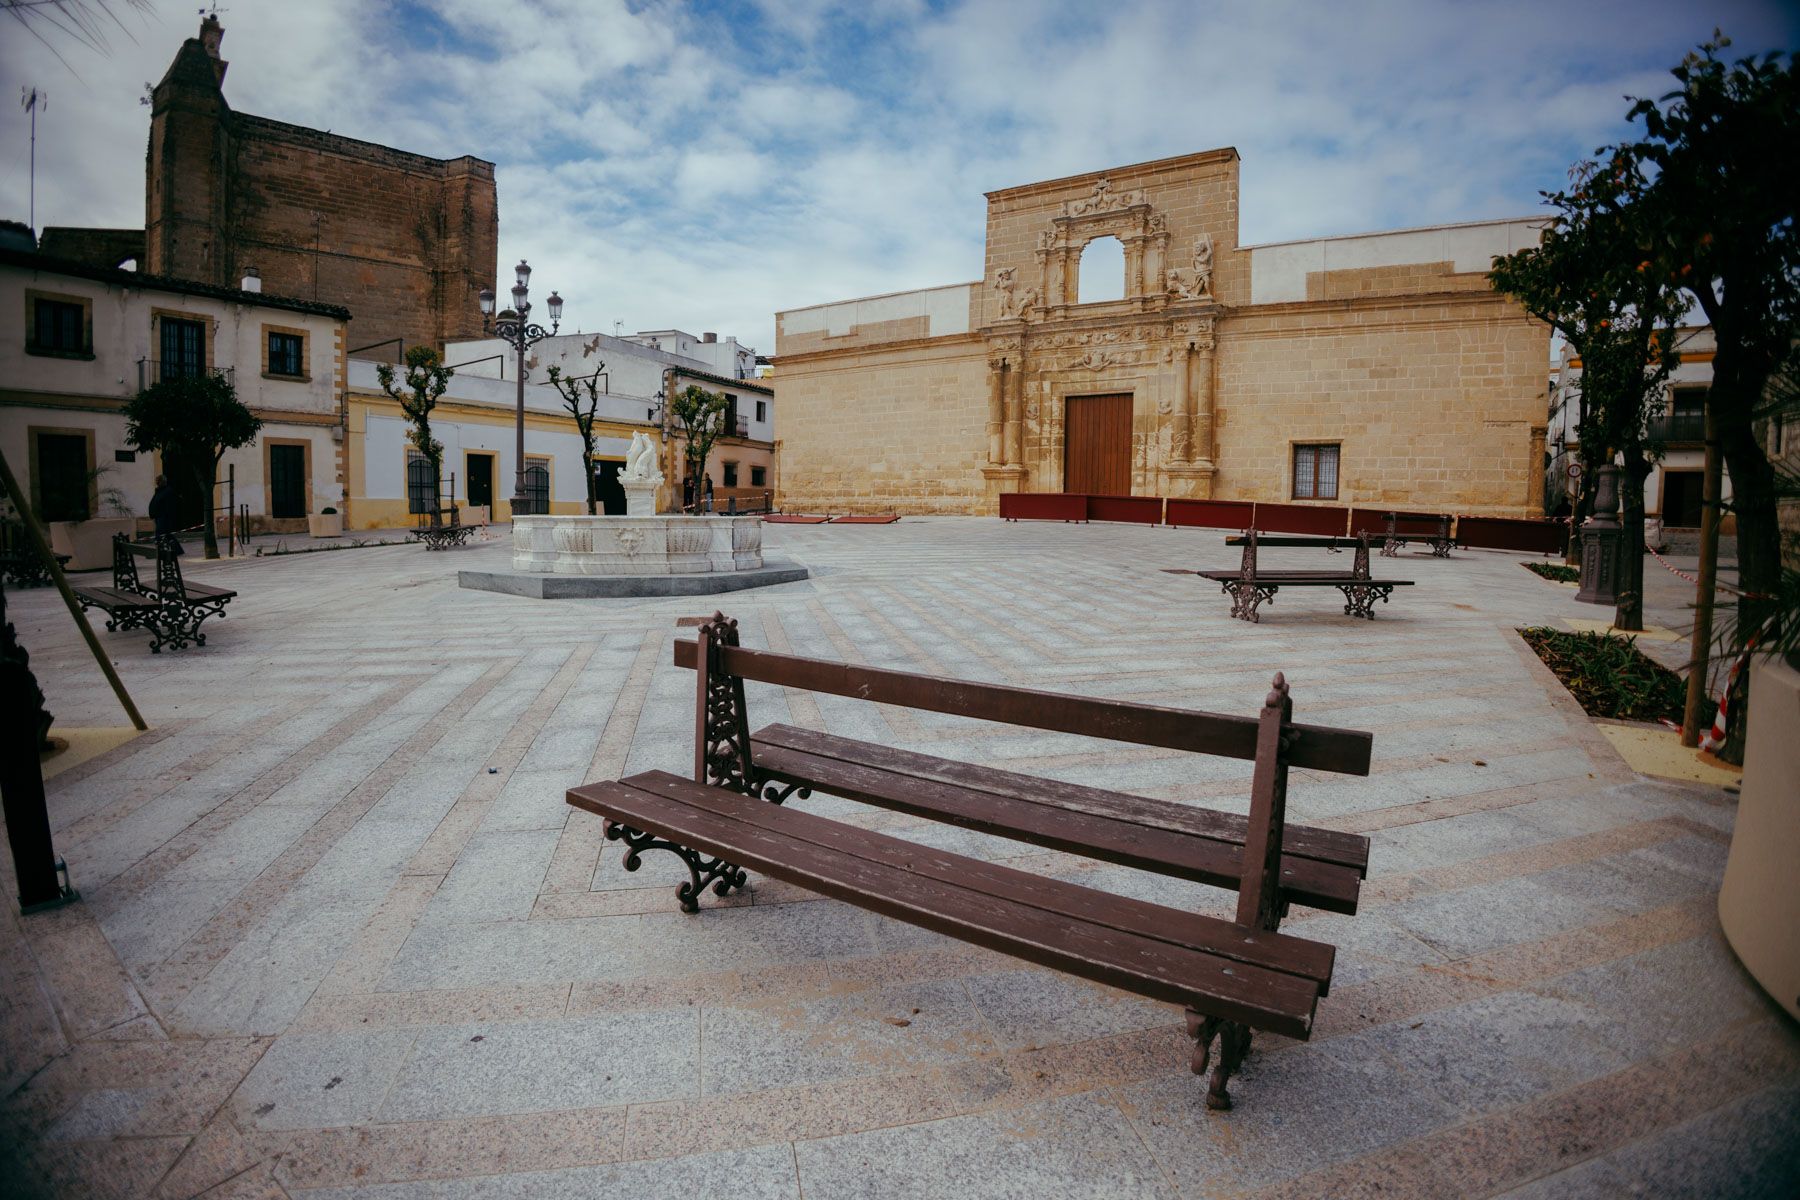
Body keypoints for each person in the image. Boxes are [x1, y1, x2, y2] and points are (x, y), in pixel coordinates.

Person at [147, 473, 182, 555]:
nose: (157, 483)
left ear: (162, 482)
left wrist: (167, 517)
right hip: (159, 516)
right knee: (166, 535)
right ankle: (177, 550)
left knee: (161, 534)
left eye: (158, 481)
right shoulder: (159, 491)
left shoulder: (167, 491)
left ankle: (160, 551)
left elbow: (169, 506)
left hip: (164, 517)